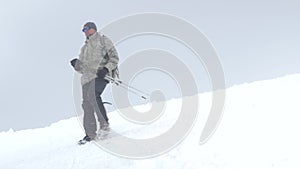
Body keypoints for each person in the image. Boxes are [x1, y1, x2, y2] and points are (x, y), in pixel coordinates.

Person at [70, 22, 119, 144]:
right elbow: (83, 68)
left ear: (93, 29)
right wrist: (77, 65)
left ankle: (104, 126)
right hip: (87, 79)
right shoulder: (84, 48)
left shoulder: (103, 40)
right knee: (86, 104)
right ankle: (90, 134)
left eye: (86, 28)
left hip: (102, 75)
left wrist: (106, 69)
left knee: (93, 95)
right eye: (83, 30)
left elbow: (114, 57)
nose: (85, 31)